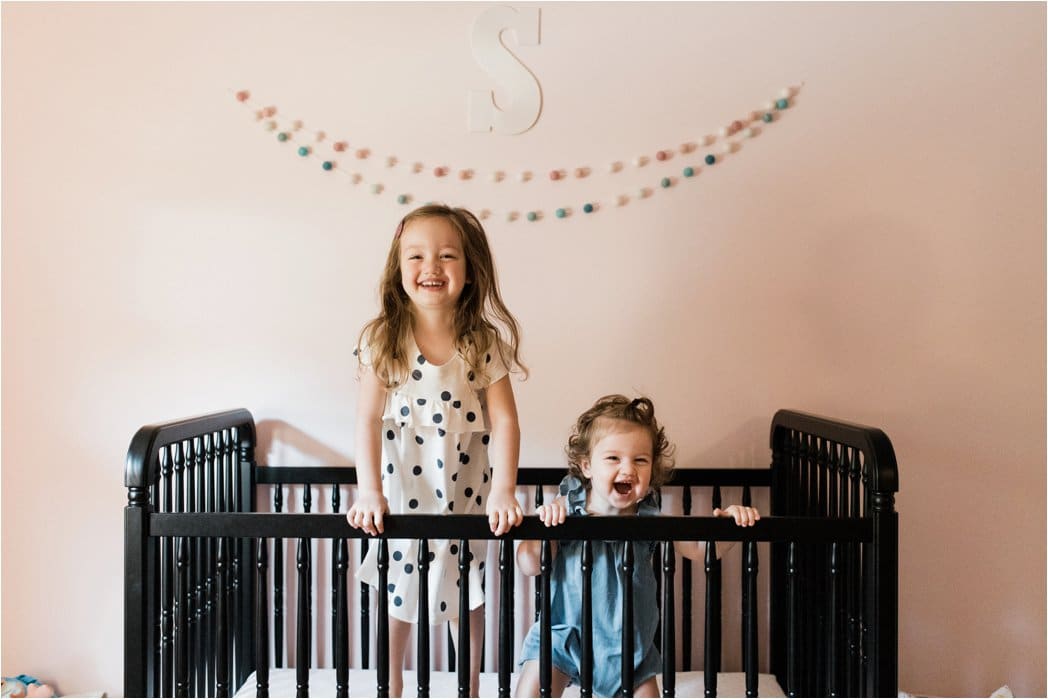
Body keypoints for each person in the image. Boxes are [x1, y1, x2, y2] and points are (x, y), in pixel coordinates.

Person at [347, 204, 527, 697]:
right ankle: (392, 684)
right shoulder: (384, 339)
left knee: (466, 590)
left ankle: (468, 686)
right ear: (398, 266)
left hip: (464, 491)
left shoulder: (481, 341)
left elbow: (506, 420)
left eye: (447, 256)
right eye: (417, 256)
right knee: (398, 590)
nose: (432, 267)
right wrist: (368, 492)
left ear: (469, 273)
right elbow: (365, 419)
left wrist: (504, 491)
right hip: (403, 490)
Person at [514, 395, 760, 698]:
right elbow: (527, 564)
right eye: (614, 459)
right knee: (529, 691)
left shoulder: (650, 519)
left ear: (652, 469)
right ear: (587, 466)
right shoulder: (567, 510)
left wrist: (731, 526)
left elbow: (699, 549)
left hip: (629, 648)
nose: (628, 469)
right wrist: (545, 530)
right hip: (564, 637)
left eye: (640, 460)